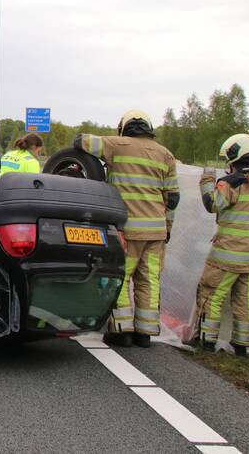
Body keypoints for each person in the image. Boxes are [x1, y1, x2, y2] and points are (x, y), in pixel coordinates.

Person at [77, 109, 179, 348]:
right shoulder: (166, 155)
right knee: (149, 280)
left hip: (127, 229)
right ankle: (145, 333)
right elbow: (173, 198)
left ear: (124, 127)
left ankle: (121, 331)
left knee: (119, 277)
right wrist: (167, 228)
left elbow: (81, 141)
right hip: (156, 231)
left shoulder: (117, 144)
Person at [191, 134, 249, 356]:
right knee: (245, 300)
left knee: (212, 295)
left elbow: (212, 205)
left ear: (235, 156)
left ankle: (206, 341)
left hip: (227, 256)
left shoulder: (232, 182)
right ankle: (243, 346)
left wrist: (206, 183)